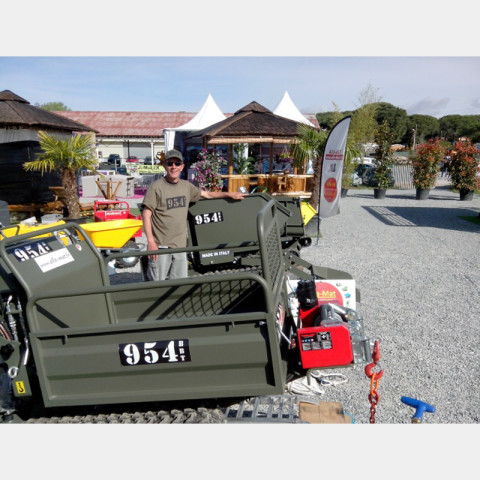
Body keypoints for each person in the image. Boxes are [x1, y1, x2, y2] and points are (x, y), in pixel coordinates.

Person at [141, 149, 246, 281]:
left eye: (177, 163)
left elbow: (207, 194)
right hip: (161, 246)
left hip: (180, 247)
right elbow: (146, 214)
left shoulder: (186, 187)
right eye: (170, 163)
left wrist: (229, 194)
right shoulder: (155, 187)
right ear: (165, 166)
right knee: (157, 283)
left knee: (180, 285)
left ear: (182, 166)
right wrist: (151, 242)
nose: (173, 167)